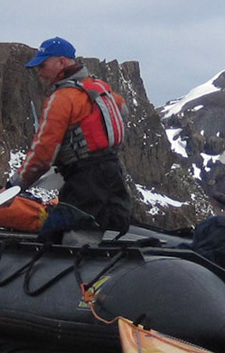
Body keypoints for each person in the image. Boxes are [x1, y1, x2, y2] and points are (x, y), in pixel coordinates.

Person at [9, 37, 135, 238]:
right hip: (114, 176)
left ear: (61, 62)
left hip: (84, 183)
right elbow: (123, 112)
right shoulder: (102, 90)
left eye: (42, 65)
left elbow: (42, 154)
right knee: (113, 229)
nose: (39, 72)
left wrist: (16, 185)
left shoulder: (62, 99)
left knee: (58, 237)